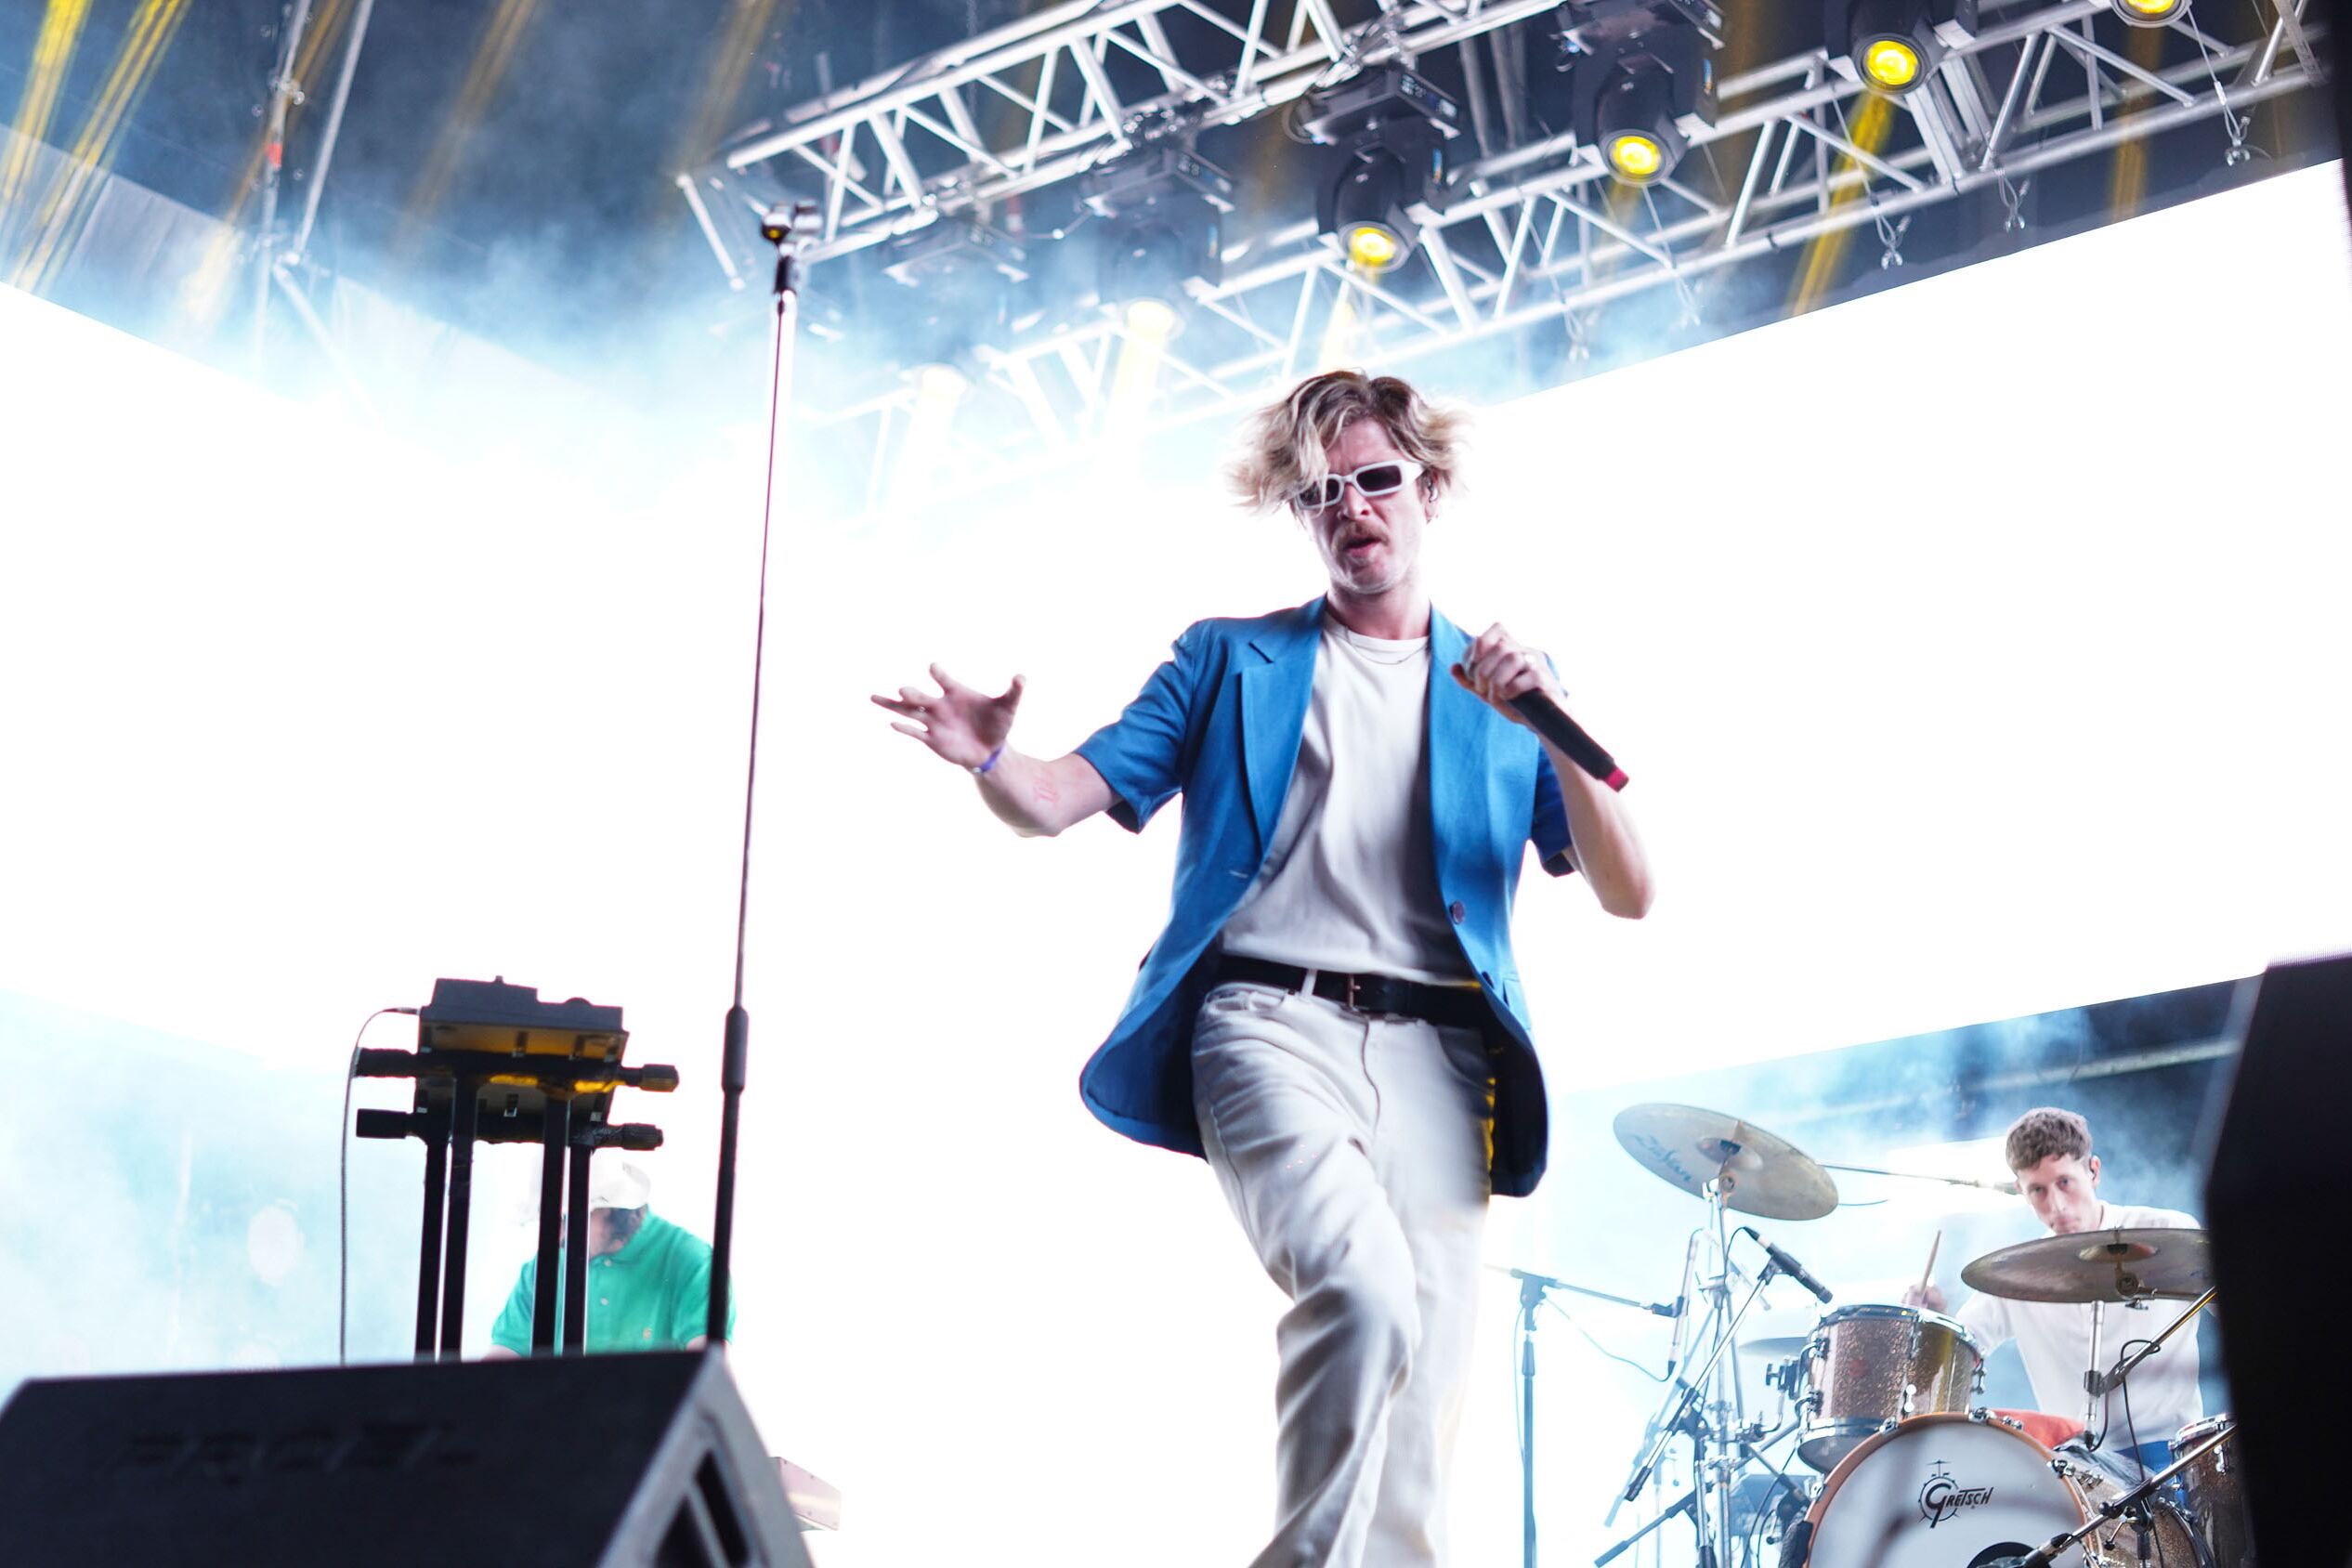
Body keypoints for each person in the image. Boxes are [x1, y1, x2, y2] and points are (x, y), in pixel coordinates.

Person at [870, 370, 1653, 1568]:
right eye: (1322, 492)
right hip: (1267, 1026)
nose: (1352, 508)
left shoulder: (1506, 685)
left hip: (1447, 1061)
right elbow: (1056, 796)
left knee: (1418, 1429)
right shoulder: (1229, 658)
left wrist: (1548, 718)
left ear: (1430, 488)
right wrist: (990, 758)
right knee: (1365, 1295)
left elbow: (1629, 889)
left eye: (1375, 479)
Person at [1905, 1106, 2203, 1476]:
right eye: (2038, 1191)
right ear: (2020, 1190)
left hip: (2176, 1455)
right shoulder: (2015, 1273)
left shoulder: (2168, 1232)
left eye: (2065, 1183)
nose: (2057, 1206)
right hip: (2077, 1471)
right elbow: (1961, 1350)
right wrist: (1931, 1324)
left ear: (2093, 1171)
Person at [484, 1160, 734, 1356]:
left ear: (616, 1208)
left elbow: (707, 1371)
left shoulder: (690, 1262)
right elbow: (501, 1362)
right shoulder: (543, 1270)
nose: (557, 1235)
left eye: (565, 1219)